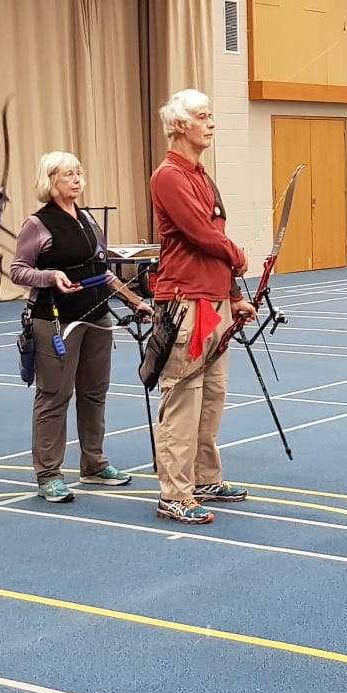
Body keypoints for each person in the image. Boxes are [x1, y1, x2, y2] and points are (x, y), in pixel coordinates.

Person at [8, 151, 146, 503]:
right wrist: (51, 276)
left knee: (94, 393)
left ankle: (94, 465)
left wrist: (134, 301)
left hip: (96, 317)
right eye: (68, 174)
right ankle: (49, 474)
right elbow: (19, 270)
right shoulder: (37, 224)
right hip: (55, 321)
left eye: (78, 173)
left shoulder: (87, 220)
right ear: (51, 181)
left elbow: (103, 270)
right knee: (54, 395)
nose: (76, 179)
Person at [147, 89, 255, 526]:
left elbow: (215, 234)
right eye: (202, 116)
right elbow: (199, 233)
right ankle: (174, 493)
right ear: (179, 125)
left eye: (211, 115)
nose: (211, 123)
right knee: (184, 395)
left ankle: (205, 477)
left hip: (213, 302)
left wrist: (233, 295)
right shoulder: (168, 176)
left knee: (212, 394)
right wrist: (237, 254)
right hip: (185, 302)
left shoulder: (202, 175)